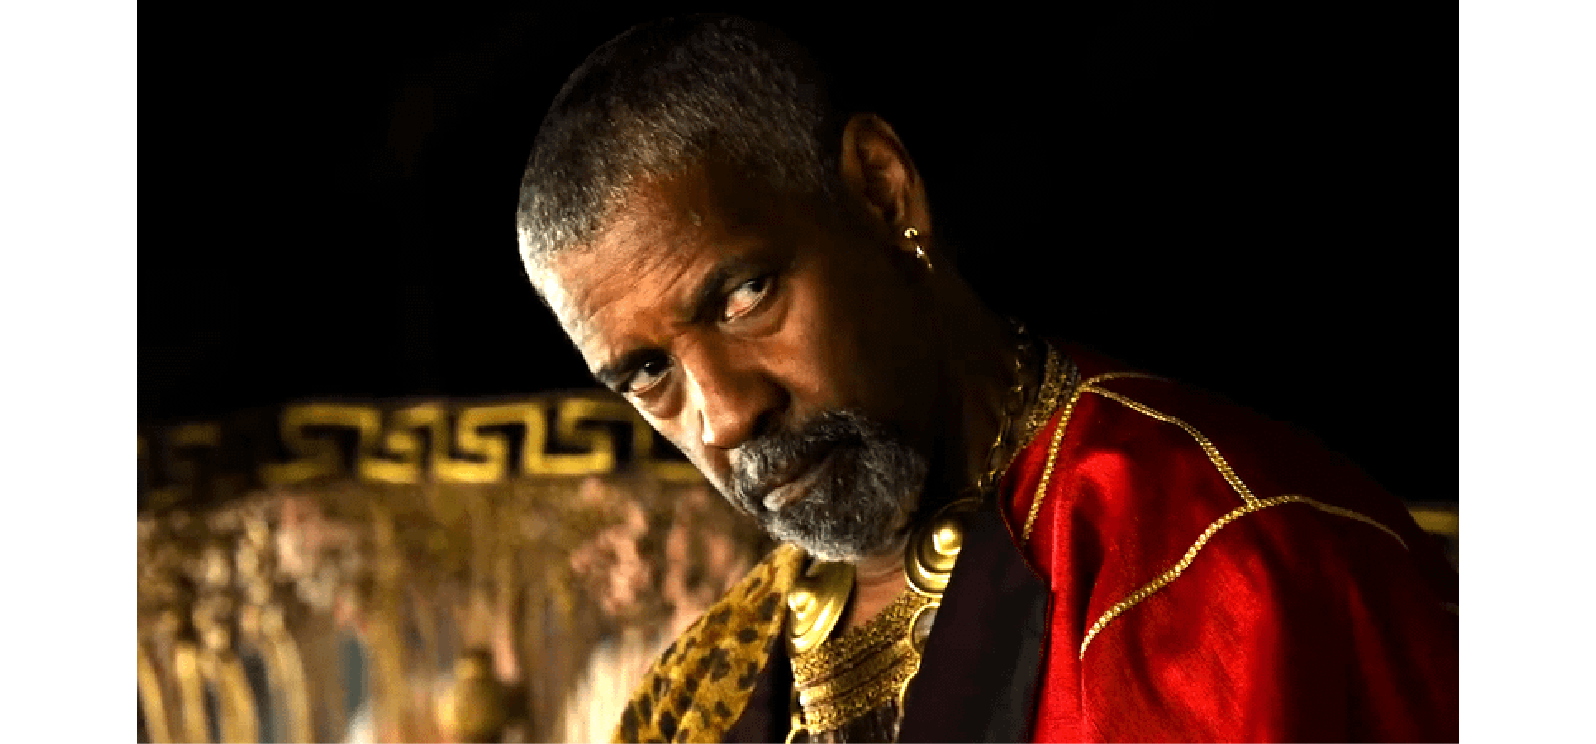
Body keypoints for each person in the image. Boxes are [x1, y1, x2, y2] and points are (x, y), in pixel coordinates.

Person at [513, 14, 1457, 743]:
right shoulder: (694, 700)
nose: (724, 416)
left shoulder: (1226, 573)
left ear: (881, 191)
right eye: (648, 373)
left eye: (744, 295)